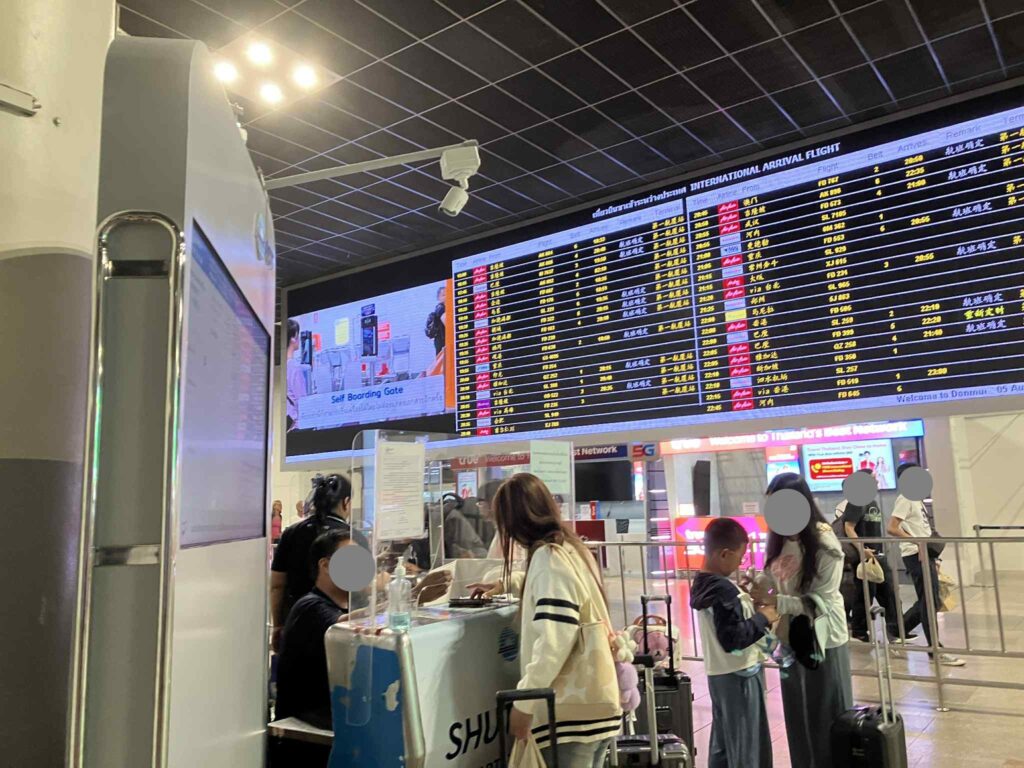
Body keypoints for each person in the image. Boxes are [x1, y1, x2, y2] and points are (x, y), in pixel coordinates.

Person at [474, 474, 620, 768]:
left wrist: (525, 703)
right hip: (594, 709)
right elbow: (562, 591)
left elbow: (555, 639)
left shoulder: (548, 558)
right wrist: (508, 583)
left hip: (569, 718)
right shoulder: (569, 548)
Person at [751, 473, 852, 768]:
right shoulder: (781, 539)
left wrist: (774, 600)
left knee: (826, 719)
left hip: (823, 640)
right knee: (798, 719)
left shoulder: (823, 541)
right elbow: (772, 577)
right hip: (789, 641)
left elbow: (818, 602)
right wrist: (757, 583)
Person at [691, 518, 776, 768]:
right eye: (740, 557)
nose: (742, 563)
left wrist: (741, 599)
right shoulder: (725, 591)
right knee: (747, 747)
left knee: (724, 745)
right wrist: (763, 617)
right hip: (740, 675)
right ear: (724, 554)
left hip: (719, 675)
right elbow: (734, 640)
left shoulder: (704, 583)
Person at [887, 463, 965, 666]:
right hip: (914, 555)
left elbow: (924, 529)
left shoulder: (916, 499)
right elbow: (892, 528)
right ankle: (934, 650)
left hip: (924, 555)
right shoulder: (905, 498)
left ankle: (897, 630)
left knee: (930, 599)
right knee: (930, 601)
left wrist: (933, 556)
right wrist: (917, 542)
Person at [275, 528, 352, 728]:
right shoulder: (310, 607)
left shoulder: (349, 606)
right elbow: (344, 626)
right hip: (307, 729)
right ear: (325, 565)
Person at [271, 475, 352, 652]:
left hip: (295, 622)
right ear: (346, 503)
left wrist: (277, 625)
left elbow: (277, 585)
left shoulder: (291, 532)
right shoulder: (350, 538)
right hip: (338, 627)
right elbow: (360, 590)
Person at [838, 470, 911, 643]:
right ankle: (859, 630)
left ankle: (896, 631)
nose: (877, 482)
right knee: (865, 594)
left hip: (878, 554)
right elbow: (849, 527)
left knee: (890, 593)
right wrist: (862, 549)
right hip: (865, 556)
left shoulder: (872, 502)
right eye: (873, 479)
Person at [286, 319, 307, 432]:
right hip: (295, 426)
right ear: (293, 337)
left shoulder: (279, 367)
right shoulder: (294, 367)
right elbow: (302, 400)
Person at [424, 285, 446, 356]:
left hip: (440, 341)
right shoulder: (441, 308)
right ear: (438, 298)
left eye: (447, 294)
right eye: (443, 295)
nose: (446, 296)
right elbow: (446, 321)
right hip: (442, 341)